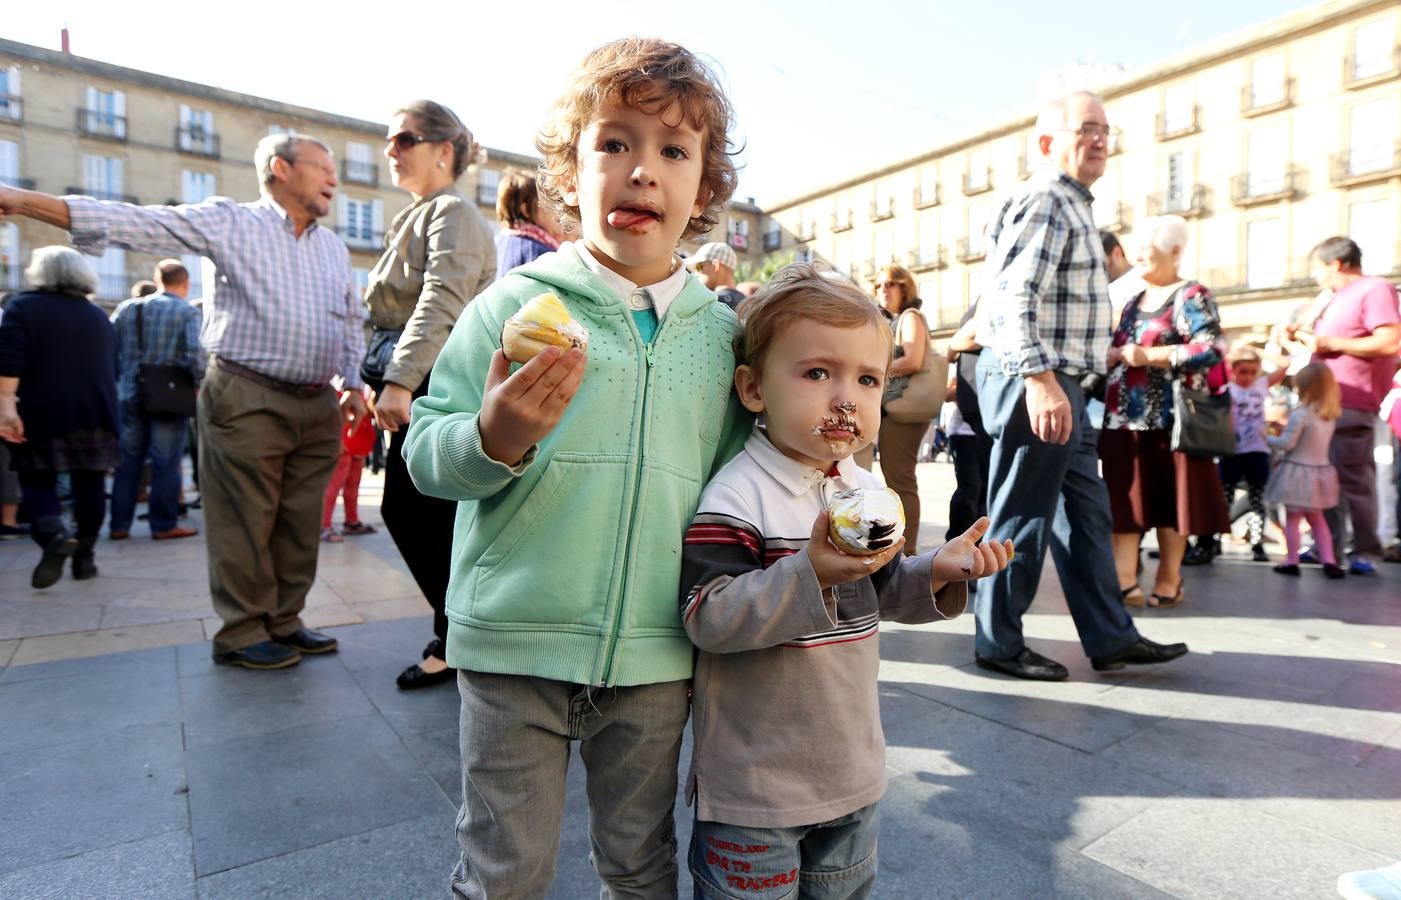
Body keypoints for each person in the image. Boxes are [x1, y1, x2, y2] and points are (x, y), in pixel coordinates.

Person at [401, 37, 749, 898]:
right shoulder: (514, 305)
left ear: (702, 188)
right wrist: (493, 436)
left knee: (638, 866)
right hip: (511, 645)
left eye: (673, 151)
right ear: (568, 169)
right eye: (614, 143)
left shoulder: (723, 335)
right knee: (505, 870)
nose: (642, 172)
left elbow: (741, 484)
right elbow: (424, 452)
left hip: (657, 660)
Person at [679, 265, 1010, 899]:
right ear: (752, 389)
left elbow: (874, 592)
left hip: (852, 774)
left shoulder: (864, 489)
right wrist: (809, 572)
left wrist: (937, 570)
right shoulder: (739, 493)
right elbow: (708, 615)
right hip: (757, 793)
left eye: (866, 379)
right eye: (816, 373)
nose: (845, 398)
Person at [0, 132, 369, 670]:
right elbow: (143, 223)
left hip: (316, 402)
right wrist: (25, 200)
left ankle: (285, 621)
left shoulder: (334, 247)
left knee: (298, 521)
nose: (335, 179)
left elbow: (350, 319)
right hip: (247, 393)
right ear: (280, 169)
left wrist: (355, 382)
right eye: (322, 167)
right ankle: (242, 633)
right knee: (244, 520)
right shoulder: (231, 221)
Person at [974, 90, 1188, 681]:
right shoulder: (1046, 198)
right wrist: (1040, 381)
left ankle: (1111, 637)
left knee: (1086, 517)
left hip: (1066, 381)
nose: (1099, 139)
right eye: (1085, 129)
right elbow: (1014, 296)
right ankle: (998, 641)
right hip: (1040, 378)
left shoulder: (1072, 204)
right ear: (1048, 143)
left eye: (1104, 130)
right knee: (1021, 517)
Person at [361, 99, 498, 691]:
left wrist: (399, 381)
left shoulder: (452, 213)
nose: (390, 150)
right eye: (389, 140)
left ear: (443, 151)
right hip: (415, 381)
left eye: (404, 139)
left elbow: (442, 299)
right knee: (422, 513)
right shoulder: (421, 214)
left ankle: (460, 635)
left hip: (432, 386)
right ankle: (458, 633)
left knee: (421, 512)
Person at [1099, 216, 1231, 608]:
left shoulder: (1191, 294)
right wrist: (1111, 357)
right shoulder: (1132, 301)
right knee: (1124, 502)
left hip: (1171, 421)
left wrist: (1151, 356)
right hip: (1122, 418)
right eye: (1136, 249)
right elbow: (1119, 347)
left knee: (1170, 503)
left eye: (1147, 249)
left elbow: (1211, 349)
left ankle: (1169, 576)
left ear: (1175, 251)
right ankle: (1125, 579)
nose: (1138, 256)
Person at [0, 247, 118, 587]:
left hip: (42, 406)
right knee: (91, 480)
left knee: (37, 476)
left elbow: (8, 360)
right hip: (96, 409)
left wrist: (6, 406)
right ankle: (85, 557)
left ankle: (53, 534)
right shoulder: (97, 315)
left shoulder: (23, 307)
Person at [1286, 236, 1401, 575]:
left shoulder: (1375, 289)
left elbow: (1389, 340)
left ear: (1334, 264)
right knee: (1324, 477)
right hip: (1325, 402)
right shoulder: (1336, 298)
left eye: (1317, 269)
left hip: (1350, 402)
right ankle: (1329, 548)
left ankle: (1364, 550)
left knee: (1352, 477)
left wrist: (1328, 342)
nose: (1317, 278)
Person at [108, 259, 204, 541]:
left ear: (157, 278)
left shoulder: (127, 308)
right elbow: (195, 355)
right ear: (185, 283)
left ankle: (119, 525)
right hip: (168, 395)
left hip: (127, 392)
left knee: (127, 462)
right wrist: (197, 384)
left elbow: (110, 348)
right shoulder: (185, 311)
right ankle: (163, 524)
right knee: (166, 462)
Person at [1267, 363, 1345, 579]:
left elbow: (1287, 443)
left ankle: (1292, 560)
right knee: (1318, 518)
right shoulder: (1329, 414)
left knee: (1293, 518)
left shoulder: (1300, 414)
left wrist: (1266, 437)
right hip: (1320, 471)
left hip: (1297, 471)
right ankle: (1329, 560)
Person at [873, 263, 929, 554]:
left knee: (900, 480)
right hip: (895, 408)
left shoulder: (910, 317)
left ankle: (907, 552)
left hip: (905, 409)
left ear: (904, 288)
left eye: (890, 284)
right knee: (895, 478)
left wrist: (874, 371)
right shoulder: (892, 320)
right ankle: (903, 549)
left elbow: (913, 359)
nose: (883, 289)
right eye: (879, 285)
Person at [1214, 346, 1287, 562]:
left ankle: (1257, 543)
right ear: (1234, 369)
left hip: (1257, 449)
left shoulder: (1260, 385)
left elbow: (1285, 365)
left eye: (1252, 372)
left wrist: (1259, 351)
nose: (1248, 377)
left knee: (1257, 498)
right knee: (1224, 496)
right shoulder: (1227, 388)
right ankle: (1217, 537)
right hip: (1231, 450)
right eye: (1243, 371)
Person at [321, 387, 378, 543]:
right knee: (334, 486)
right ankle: (323, 526)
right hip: (344, 443)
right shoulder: (339, 388)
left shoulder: (359, 385)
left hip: (358, 442)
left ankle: (352, 522)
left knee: (353, 485)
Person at [494, 167, 563, 277]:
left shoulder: (497, 244)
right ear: (526, 210)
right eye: (547, 203)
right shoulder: (539, 253)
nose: (556, 209)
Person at [687, 240, 745, 308]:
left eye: (699, 267)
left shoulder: (711, 302)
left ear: (716, 265)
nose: (696, 273)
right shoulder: (746, 301)